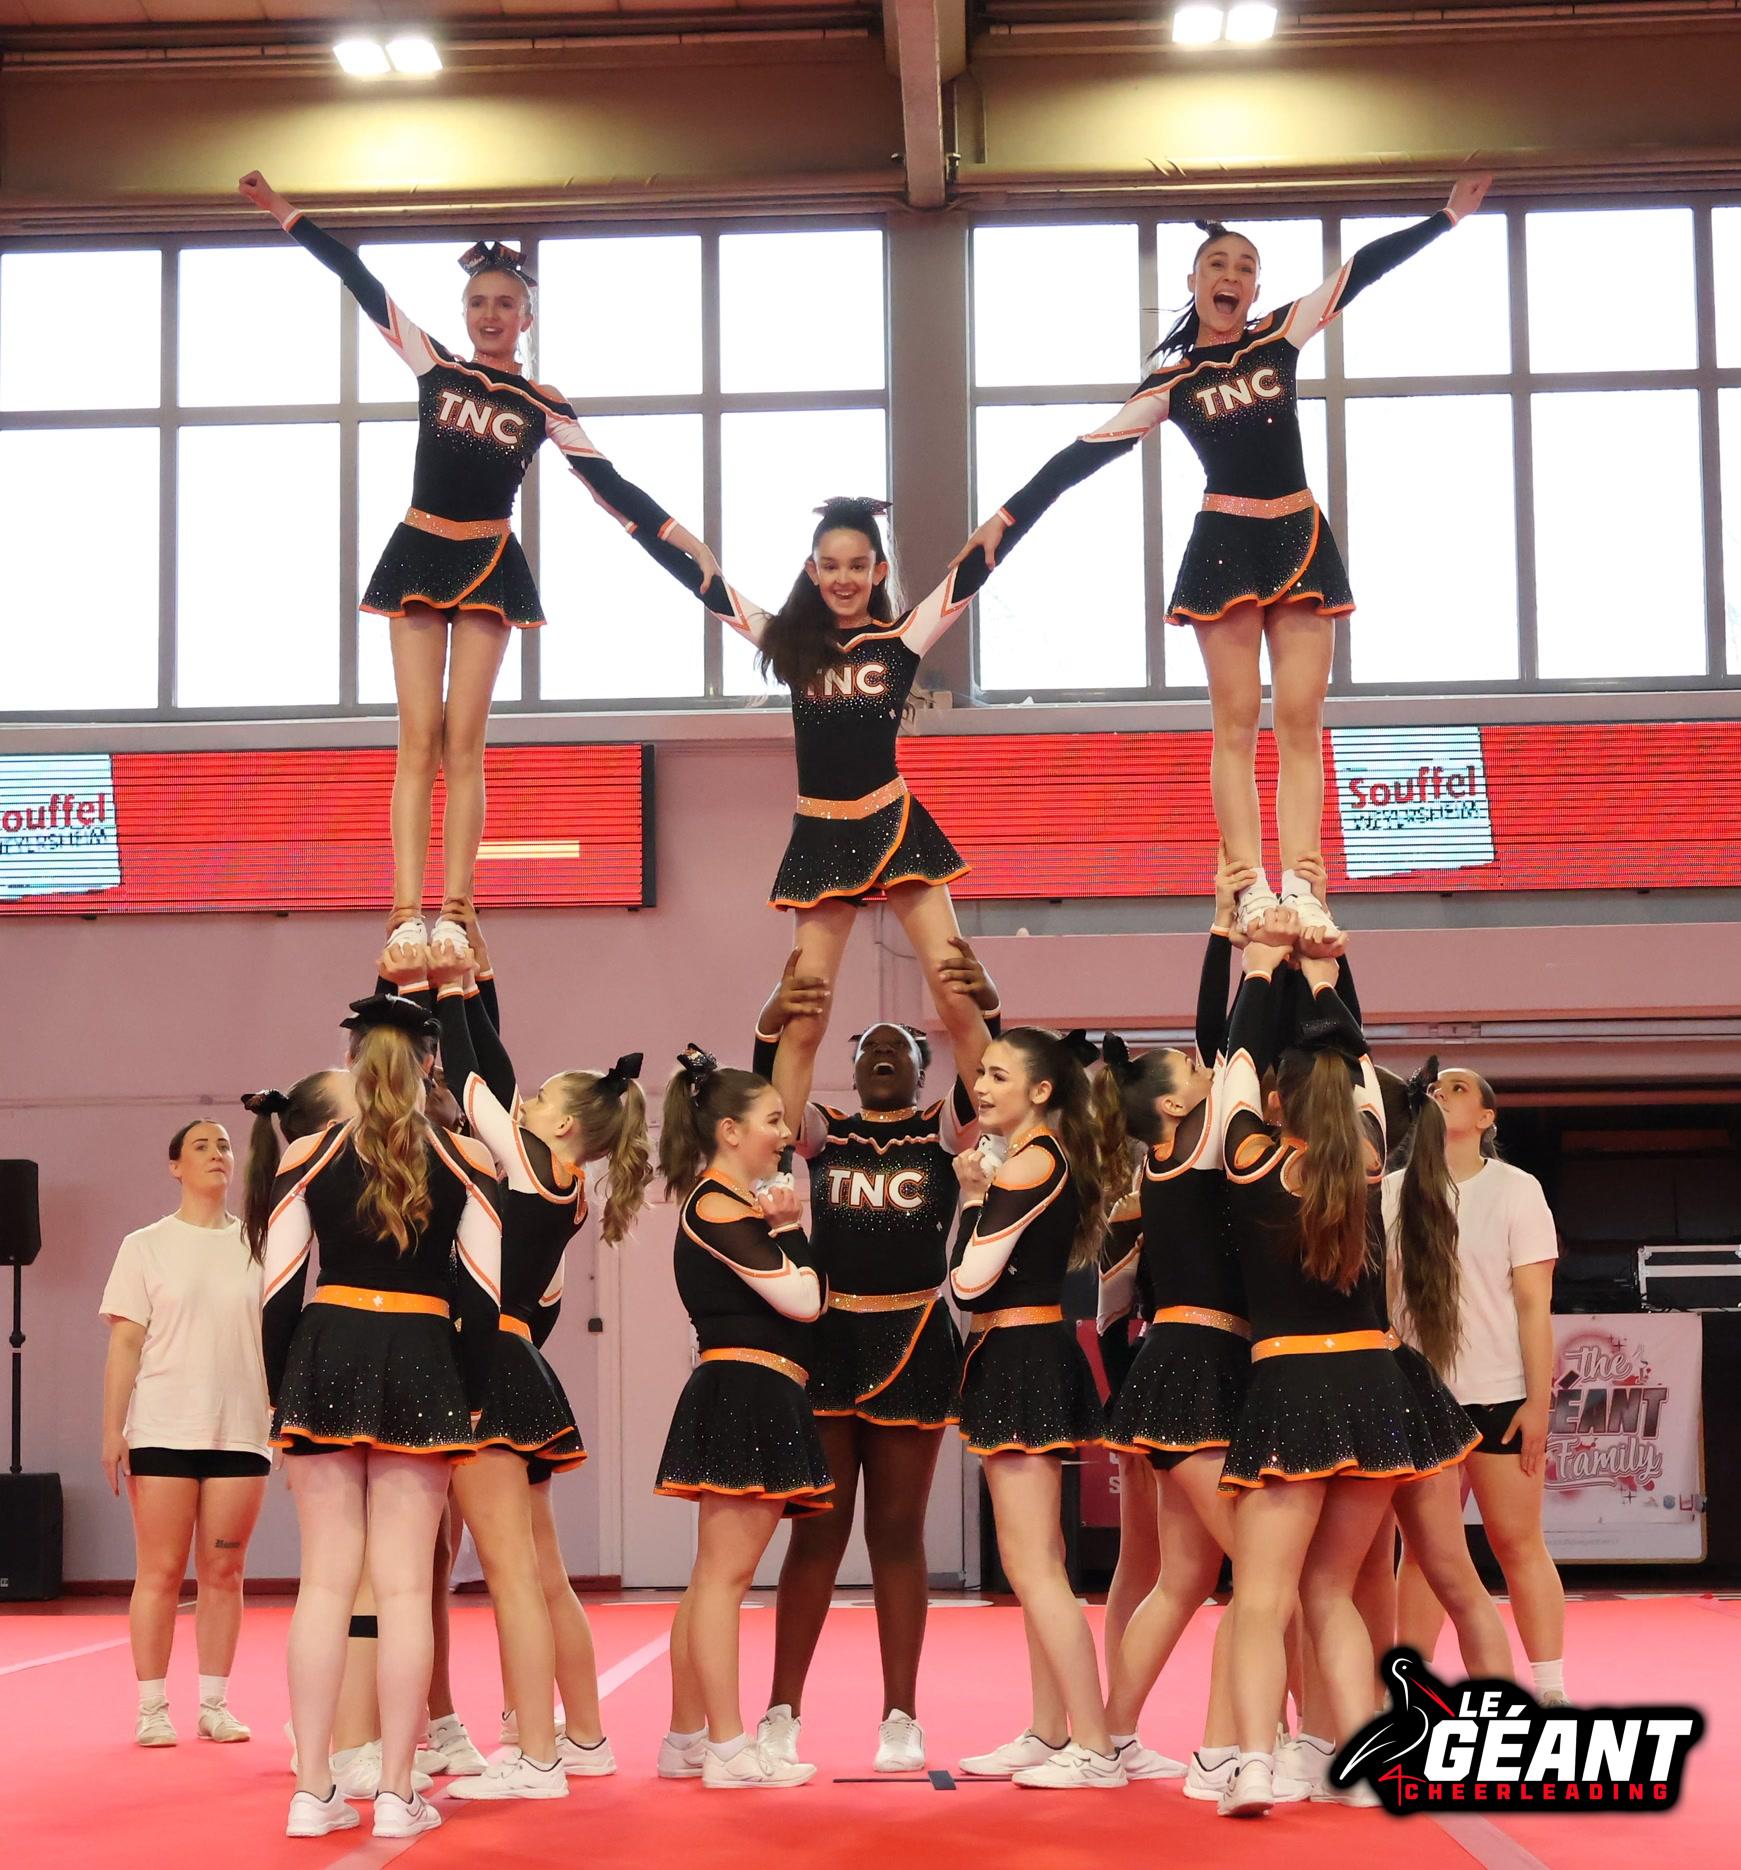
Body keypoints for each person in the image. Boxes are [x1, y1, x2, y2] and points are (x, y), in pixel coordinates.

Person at [952, 177, 1494, 944]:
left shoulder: (1279, 335)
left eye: (1244, 266)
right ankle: (1248, 886)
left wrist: (1443, 219)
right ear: (1193, 281)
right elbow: (1084, 454)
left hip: (1299, 537)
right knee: (1234, 725)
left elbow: (1360, 271)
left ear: (1256, 288)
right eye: (1217, 264)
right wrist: (1005, 520)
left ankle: (1303, 885)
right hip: (1226, 548)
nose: (1230, 276)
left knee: (1299, 721)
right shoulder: (1174, 383)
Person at [235, 170, 718, 955]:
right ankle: (405, 910)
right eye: (478, 303)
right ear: (464, 313)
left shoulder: (542, 402)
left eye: (504, 304)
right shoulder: (437, 367)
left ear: (527, 317)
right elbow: (359, 278)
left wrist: (686, 541)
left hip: (490, 560)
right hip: (419, 550)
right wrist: (283, 211)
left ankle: (456, 908)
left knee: (465, 743)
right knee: (416, 739)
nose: (491, 315)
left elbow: (610, 487)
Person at [623, 483, 1086, 1139]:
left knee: (956, 994)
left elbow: (987, 552)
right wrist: (629, 500)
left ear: (879, 571)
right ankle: (772, 1170)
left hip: (895, 822)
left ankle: (1006, 1150)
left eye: (857, 565)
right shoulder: (787, 642)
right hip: (821, 833)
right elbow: (695, 572)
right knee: (805, 1017)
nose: (844, 579)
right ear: (812, 571)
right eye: (831, 566)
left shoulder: (903, 637)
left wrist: (1037, 493)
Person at [1213, 916, 1471, 1817]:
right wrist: (1324, 973)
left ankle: (1252, 1762)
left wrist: (1257, 970)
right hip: (1373, 1388)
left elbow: (1233, 1064)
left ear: (1275, 1102)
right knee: (1331, 1589)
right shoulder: (1365, 1156)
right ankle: (1361, 1765)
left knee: (1263, 1594)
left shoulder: (1248, 1162)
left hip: (1292, 1384)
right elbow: (1357, 1066)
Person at [748, 942, 999, 1773]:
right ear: (850, 1068)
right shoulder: (826, 1133)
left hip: (914, 1338)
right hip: (830, 1339)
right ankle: (781, 1710)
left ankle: (901, 1715)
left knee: (896, 1533)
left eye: (900, 1047)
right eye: (869, 1048)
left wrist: (978, 1009)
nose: (883, 1053)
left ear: (924, 1072)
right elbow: (776, 1098)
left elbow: (983, 1072)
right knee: (816, 1533)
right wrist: (781, 1022)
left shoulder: (941, 1133)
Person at [260, 993, 503, 1841]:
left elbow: (277, 1291)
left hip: (326, 1348)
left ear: (352, 1060)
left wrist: (278, 1393)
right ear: (432, 1062)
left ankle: (312, 1789)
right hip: (424, 1354)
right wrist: (470, 1395)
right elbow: (484, 1296)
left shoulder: (307, 1152)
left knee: (324, 1583)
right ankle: (398, 1791)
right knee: (403, 1587)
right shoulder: (467, 1156)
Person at [414, 925, 649, 1796]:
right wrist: (475, 983)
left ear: (563, 1123)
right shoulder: (564, 1182)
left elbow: (479, 1080)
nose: (525, 1100)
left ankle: (536, 1757)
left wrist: (451, 989)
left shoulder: (527, 1159)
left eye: (540, 1097)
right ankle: (583, 1738)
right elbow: (499, 1074)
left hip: (488, 1366)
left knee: (510, 1570)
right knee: (543, 1574)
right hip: (523, 1365)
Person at [1094, 860, 1253, 1793]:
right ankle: (1228, 1747)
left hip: (1189, 1362)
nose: (1205, 1069)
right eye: (1191, 1074)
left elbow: (1211, 1042)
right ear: (1170, 1104)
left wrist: (1223, 931)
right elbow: (1219, 1033)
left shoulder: (1174, 1150)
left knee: (1187, 1577)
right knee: (1260, 1569)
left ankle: (1109, 1739)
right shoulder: (1189, 1147)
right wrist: (1227, 937)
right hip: (1194, 1367)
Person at [654, 1046, 832, 1789]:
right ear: (728, 1131)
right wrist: (791, 1230)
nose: (785, 1135)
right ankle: (727, 1747)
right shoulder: (719, 1205)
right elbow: (805, 1300)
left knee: (712, 1581)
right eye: (772, 1121)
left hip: (753, 1388)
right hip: (745, 1390)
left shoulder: (729, 1202)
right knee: (723, 1581)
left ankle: (686, 1739)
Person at [951, 1030, 1119, 1790]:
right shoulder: (1039, 1155)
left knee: (1032, 1566)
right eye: (980, 1074)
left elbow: (967, 1283)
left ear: (1041, 1091)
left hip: (1020, 1356)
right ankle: (1051, 1730)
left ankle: (1094, 1745)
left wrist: (971, 1198)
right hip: (1018, 1353)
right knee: (1037, 1561)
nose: (981, 1087)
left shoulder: (1029, 1161)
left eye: (998, 1075)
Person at [1387, 1067, 1567, 1702]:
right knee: (1423, 1553)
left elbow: (1533, 1305)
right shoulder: (1390, 1193)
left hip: (1500, 1394)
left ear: (1487, 1119)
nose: (1443, 1093)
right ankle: (1409, 1692)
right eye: (1437, 1088)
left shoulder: (1517, 1189)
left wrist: (1539, 1402)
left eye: (1460, 1088)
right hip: (1418, 1395)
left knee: (1518, 1543)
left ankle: (1550, 1687)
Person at [99, 1120, 271, 1748]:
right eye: (201, 1146)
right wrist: (113, 1429)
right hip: (164, 1426)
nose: (217, 1154)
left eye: (224, 1145)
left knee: (225, 1569)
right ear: (175, 1166)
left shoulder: (258, 1244)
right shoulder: (145, 1245)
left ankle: (214, 1704)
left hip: (240, 1429)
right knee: (161, 1571)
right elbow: (126, 1343)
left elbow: (275, 1336)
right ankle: (151, 1706)